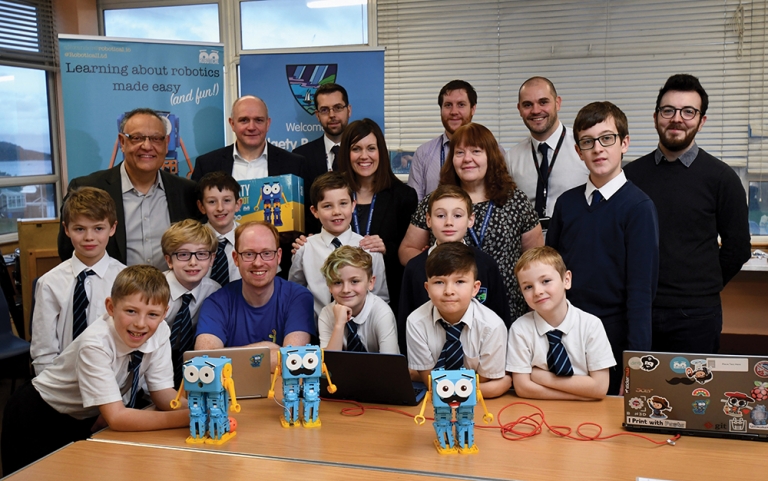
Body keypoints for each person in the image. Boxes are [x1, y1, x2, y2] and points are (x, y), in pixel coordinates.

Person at [1, 265, 190, 475]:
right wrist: (188, 418)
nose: (140, 323)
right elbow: (117, 418)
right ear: (110, 307)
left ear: (165, 313)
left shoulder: (161, 330)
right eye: (130, 311)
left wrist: (200, 410)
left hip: (84, 415)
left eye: (153, 314)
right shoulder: (95, 344)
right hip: (39, 415)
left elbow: (162, 394)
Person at [624, 74, 751, 354]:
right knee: (638, 395)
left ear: (701, 121)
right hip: (637, 308)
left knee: (695, 396)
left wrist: (702, 286)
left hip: (696, 315)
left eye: (688, 112)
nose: (677, 119)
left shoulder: (721, 178)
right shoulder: (630, 175)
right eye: (668, 110)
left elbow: (738, 247)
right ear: (656, 116)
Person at [546, 101, 658, 395]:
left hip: (613, 340)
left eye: (607, 138)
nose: (598, 148)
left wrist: (634, 365)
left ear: (624, 143)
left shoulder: (639, 207)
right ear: (578, 151)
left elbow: (641, 294)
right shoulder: (567, 204)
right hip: (565, 335)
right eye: (588, 141)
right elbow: (551, 273)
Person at [399, 123, 543, 322]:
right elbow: (407, 249)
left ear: (490, 156)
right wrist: (434, 263)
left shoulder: (515, 200)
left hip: (504, 306)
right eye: (459, 153)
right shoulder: (437, 201)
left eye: (476, 151)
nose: (467, 159)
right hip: (446, 305)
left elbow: (534, 257)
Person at [57, 108, 200, 270]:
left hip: (173, 292)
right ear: (122, 143)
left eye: (156, 139)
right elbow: (68, 250)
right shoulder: (87, 188)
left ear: (166, 144)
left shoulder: (186, 191)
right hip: (109, 292)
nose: (147, 146)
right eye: (137, 138)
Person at [191, 95, 327, 253]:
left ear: (268, 123)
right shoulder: (207, 164)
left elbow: (311, 215)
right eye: (244, 120)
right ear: (232, 124)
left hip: (279, 261)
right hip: (220, 260)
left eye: (258, 120)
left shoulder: (295, 164)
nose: (251, 127)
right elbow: (196, 215)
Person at [398, 185, 509, 354]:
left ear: (470, 220)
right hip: (426, 361)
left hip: (478, 361)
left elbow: (500, 315)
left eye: (457, 215)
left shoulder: (486, 265)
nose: (449, 222)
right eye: (440, 215)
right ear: (428, 220)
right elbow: (405, 321)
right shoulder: (415, 267)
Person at [194, 221, 315, 370]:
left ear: (278, 256)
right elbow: (204, 362)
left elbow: (294, 361)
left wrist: (229, 356)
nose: (258, 263)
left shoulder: (298, 297)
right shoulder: (216, 303)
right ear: (236, 258)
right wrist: (266, 348)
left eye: (266, 253)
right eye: (249, 254)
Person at [31, 187, 126, 375]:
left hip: (113, 379)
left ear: (112, 228)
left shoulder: (126, 280)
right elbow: (43, 351)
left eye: (98, 228)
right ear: (66, 229)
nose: (89, 237)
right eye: (79, 229)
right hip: (62, 381)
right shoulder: (49, 283)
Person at [506, 247, 615, 401]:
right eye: (528, 287)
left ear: (566, 280)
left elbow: (600, 387)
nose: (537, 291)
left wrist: (540, 377)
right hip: (540, 411)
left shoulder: (591, 325)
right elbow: (523, 388)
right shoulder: (520, 329)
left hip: (587, 414)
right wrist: (582, 396)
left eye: (546, 281)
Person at [335, 118, 418, 316]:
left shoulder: (404, 196)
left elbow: (412, 250)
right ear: (346, 153)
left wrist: (386, 247)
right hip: (341, 297)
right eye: (356, 149)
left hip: (389, 299)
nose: (364, 156)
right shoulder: (334, 194)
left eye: (371, 148)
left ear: (381, 151)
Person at [406, 242, 510, 399]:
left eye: (460, 282)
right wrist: (493, 388)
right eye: (439, 282)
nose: (449, 291)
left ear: (475, 288)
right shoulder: (416, 322)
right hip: (435, 405)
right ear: (427, 288)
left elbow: (486, 378)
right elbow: (429, 382)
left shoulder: (492, 326)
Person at [288, 171, 388, 319]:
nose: (337, 212)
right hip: (317, 331)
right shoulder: (305, 248)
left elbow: (380, 297)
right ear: (314, 211)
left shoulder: (369, 248)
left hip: (361, 332)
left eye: (343, 204)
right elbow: (295, 292)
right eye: (327, 206)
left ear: (353, 205)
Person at [505, 77, 589, 230]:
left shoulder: (583, 147)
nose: (536, 110)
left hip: (575, 242)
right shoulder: (511, 158)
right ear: (519, 109)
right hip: (529, 248)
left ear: (558, 103)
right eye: (527, 105)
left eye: (543, 102)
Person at [160, 219, 221, 387]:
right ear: (169, 260)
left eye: (201, 254)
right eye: (183, 254)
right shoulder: (154, 291)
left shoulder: (214, 292)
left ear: (212, 259)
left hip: (195, 374)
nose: (193, 262)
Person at [317, 246, 398, 353]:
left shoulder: (382, 313)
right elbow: (327, 365)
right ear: (329, 287)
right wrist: (339, 324)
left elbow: (390, 364)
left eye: (354, 281)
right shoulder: (326, 314)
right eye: (337, 282)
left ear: (370, 282)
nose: (346, 290)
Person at [408, 80, 477, 202]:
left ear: (473, 109)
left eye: (461, 104)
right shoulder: (423, 154)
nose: (454, 112)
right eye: (448, 105)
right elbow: (414, 207)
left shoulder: (493, 150)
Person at [196, 171, 243, 286]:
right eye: (212, 202)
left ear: (238, 204)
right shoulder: (191, 239)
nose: (220, 208)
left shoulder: (253, 237)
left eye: (227, 200)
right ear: (201, 207)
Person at [293, 82, 352, 172]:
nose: (332, 115)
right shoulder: (301, 156)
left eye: (338, 107)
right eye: (324, 110)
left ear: (348, 110)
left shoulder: (363, 153)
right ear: (317, 115)